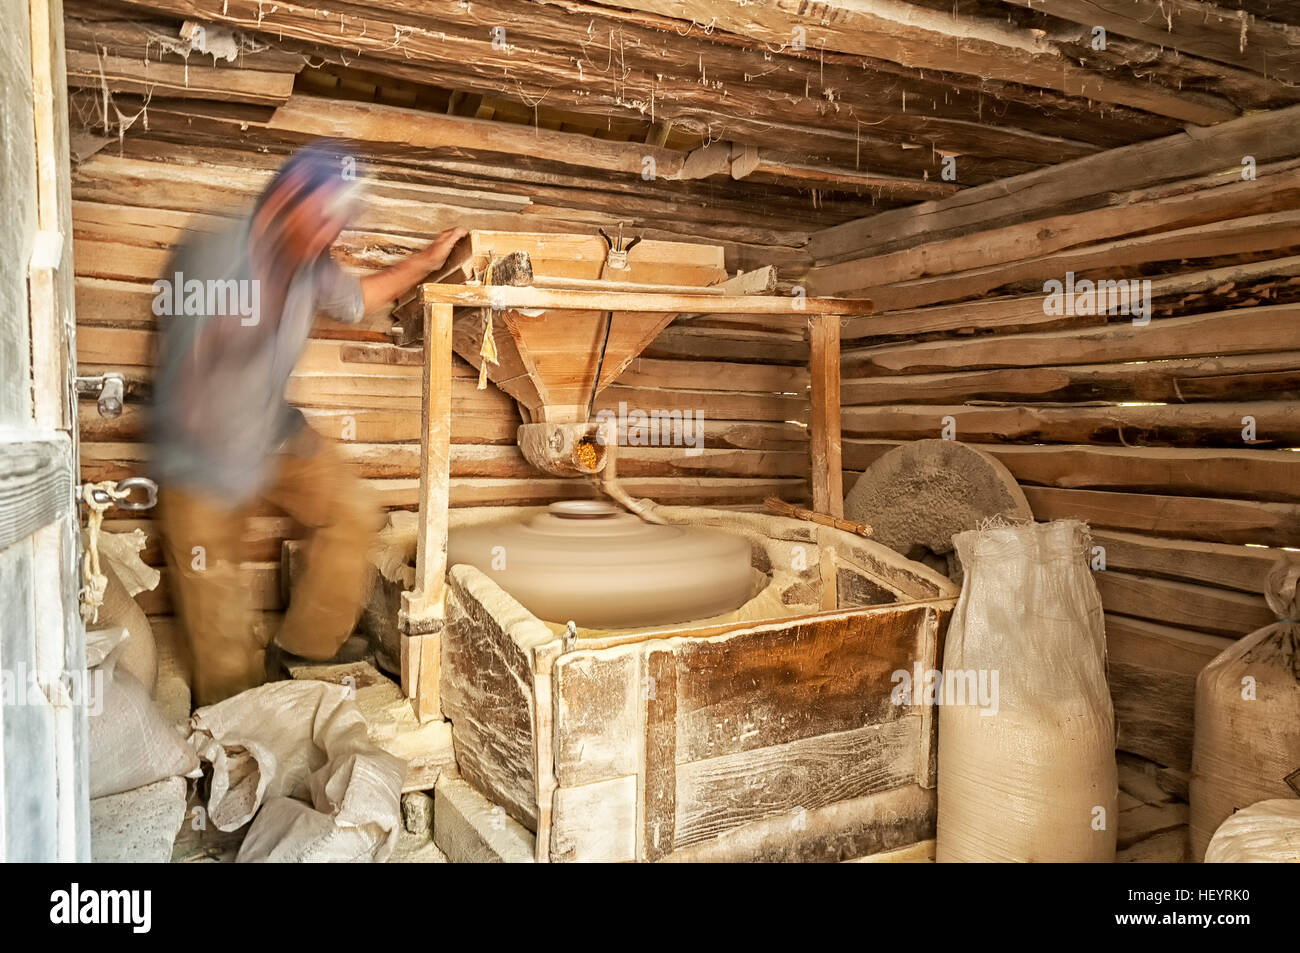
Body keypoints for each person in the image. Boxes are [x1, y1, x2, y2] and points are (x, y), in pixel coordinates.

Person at [150, 140, 466, 706]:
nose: (333, 235)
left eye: (340, 223)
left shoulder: (307, 261)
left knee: (352, 514)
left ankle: (304, 647)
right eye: (326, 219)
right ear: (290, 197)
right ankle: (240, 739)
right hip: (198, 457)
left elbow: (354, 298)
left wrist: (422, 263)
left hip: (271, 433)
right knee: (220, 635)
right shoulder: (215, 252)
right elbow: (193, 372)